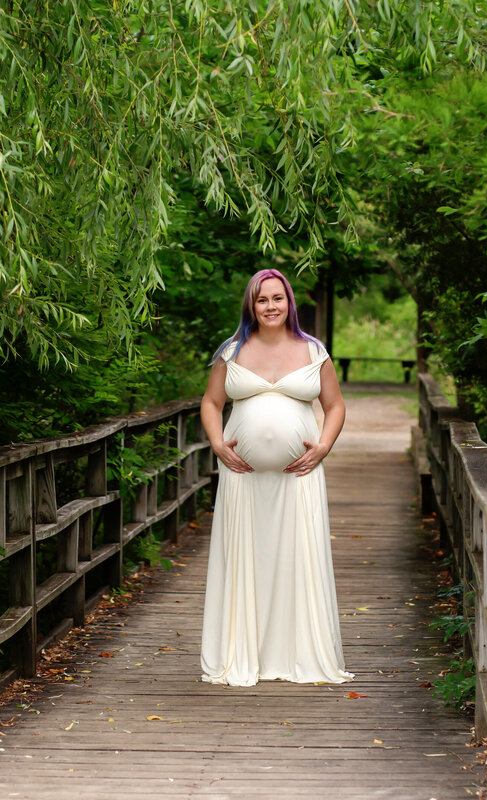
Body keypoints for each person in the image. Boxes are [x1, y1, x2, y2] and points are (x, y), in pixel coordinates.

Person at [199, 268, 354, 687]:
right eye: (262, 299)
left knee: (295, 559)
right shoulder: (231, 351)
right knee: (246, 559)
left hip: (298, 477)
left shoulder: (313, 351)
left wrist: (322, 446)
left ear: (290, 304)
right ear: (251, 305)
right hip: (242, 478)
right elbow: (212, 403)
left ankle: (297, 654)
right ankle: (241, 653)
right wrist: (218, 443)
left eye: (277, 298)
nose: (270, 306)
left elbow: (335, 406)